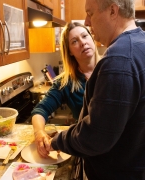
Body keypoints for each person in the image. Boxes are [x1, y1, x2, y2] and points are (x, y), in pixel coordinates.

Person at [46, 0, 145, 179]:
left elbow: (96, 137)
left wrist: (57, 141)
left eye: (90, 13)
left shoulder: (118, 59)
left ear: (113, 11)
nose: (87, 21)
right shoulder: (140, 43)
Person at [31, 22, 99, 158]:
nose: (82, 43)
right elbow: (40, 110)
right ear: (69, 51)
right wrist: (39, 133)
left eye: (85, 36)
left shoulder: (112, 71)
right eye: (74, 41)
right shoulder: (65, 82)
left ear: (92, 39)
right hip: (84, 147)